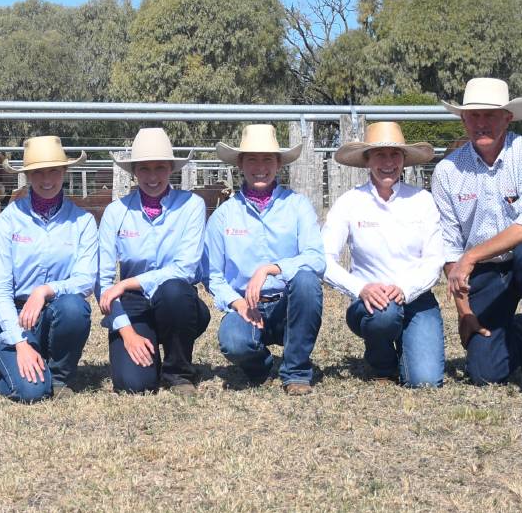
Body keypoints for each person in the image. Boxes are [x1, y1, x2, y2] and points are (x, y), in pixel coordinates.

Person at [432, 78, 522, 400]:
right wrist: (464, 311)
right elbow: (451, 250)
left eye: (490, 115)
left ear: (507, 118)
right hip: (488, 271)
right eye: (474, 116)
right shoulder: (447, 171)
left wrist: (471, 256)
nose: (482, 123)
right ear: (463, 119)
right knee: (485, 372)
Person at [322, 122, 445, 387]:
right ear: (367, 161)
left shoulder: (422, 200)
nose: (388, 162)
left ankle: (407, 344)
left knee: (425, 381)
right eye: (380, 154)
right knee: (384, 314)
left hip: (417, 297)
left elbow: (434, 260)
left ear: (404, 160)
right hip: (370, 303)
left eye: (394, 154)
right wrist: (361, 288)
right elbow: (324, 258)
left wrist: (404, 289)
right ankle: (382, 363)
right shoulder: (350, 202)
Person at [207, 124, 326, 396]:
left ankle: (296, 371)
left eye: (267, 159)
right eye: (252, 159)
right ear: (240, 163)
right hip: (245, 305)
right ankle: (260, 366)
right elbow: (213, 275)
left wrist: (272, 269)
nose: (260, 166)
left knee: (307, 281)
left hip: (288, 303)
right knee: (235, 343)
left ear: (279, 163)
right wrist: (237, 303)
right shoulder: (223, 216)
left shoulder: (298, 205)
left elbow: (316, 259)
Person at [98, 127, 210, 395]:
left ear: (171, 168)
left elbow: (185, 268)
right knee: (133, 384)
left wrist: (128, 283)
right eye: (144, 168)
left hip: (176, 299)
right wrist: (127, 332)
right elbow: (101, 281)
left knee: (173, 289)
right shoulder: (116, 212)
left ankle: (178, 373)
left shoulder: (192, 206)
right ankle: (149, 343)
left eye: (160, 167)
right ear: (134, 171)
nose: (152, 176)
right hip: (133, 305)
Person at [0, 136, 97, 402]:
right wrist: (20, 343)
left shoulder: (83, 222)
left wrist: (45, 291)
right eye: (38, 172)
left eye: (53, 171)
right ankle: (11, 369)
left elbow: (85, 280)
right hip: (15, 314)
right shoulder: (8, 221)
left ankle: (59, 376)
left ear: (64, 172)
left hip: (57, 310)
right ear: (27, 176)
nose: (46, 179)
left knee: (74, 307)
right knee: (31, 392)